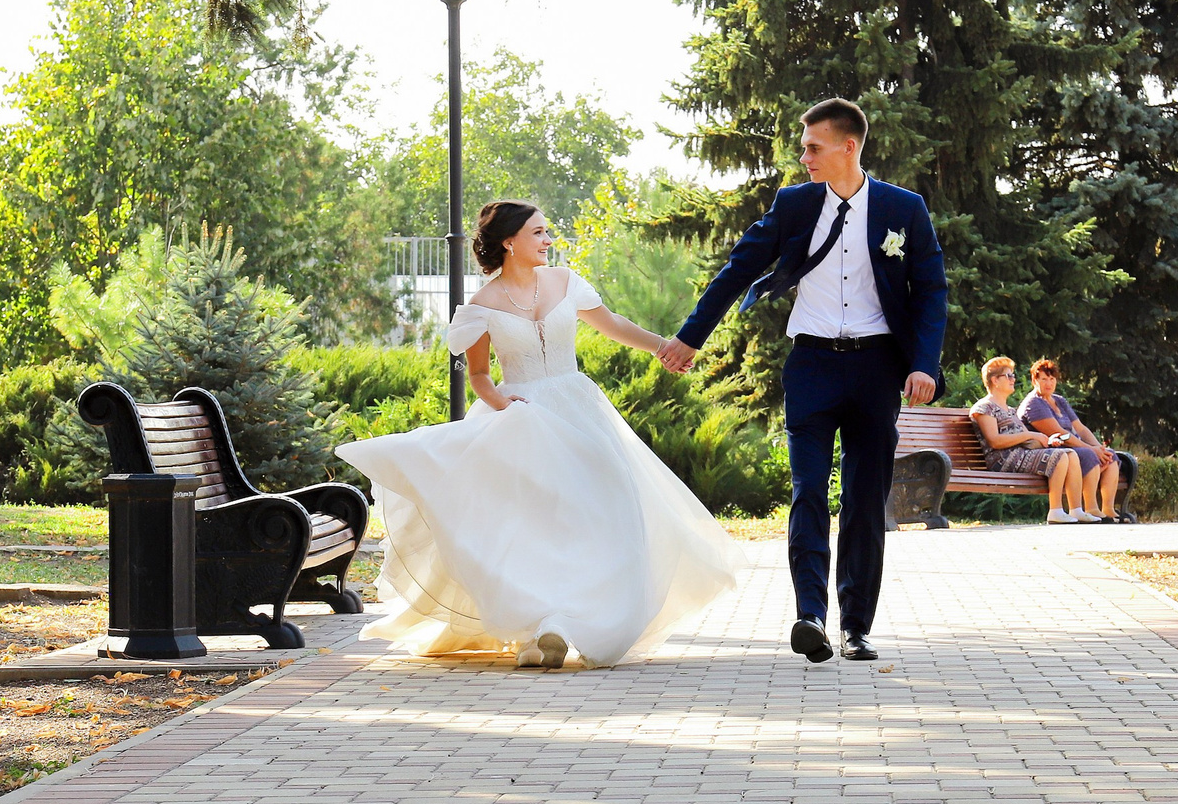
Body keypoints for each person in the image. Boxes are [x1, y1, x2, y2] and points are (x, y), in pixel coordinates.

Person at [337, 200, 740, 670]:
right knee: (527, 526)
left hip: (578, 409)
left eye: (548, 232)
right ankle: (539, 629)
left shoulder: (566, 282)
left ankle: (580, 621)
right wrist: (504, 406)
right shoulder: (480, 308)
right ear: (510, 242)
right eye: (538, 233)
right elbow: (481, 377)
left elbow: (612, 326)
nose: (548, 241)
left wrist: (665, 349)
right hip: (521, 417)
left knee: (606, 511)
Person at [658, 98, 947, 665]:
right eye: (803, 146)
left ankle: (856, 626)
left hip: (877, 369)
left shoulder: (903, 209)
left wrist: (923, 363)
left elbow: (930, 290)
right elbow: (738, 268)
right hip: (812, 366)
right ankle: (810, 614)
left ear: (849, 146)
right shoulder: (793, 205)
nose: (803, 156)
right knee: (808, 491)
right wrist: (691, 337)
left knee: (866, 500)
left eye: (813, 146)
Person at [966, 356, 1096, 522]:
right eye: (1008, 376)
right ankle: (1055, 511)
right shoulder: (984, 407)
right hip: (1002, 459)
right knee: (1061, 456)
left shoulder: (1010, 410)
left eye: (1013, 375)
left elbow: (1025, 440)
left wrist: (1048, 441)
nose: (1013, 379)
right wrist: (1030, 434)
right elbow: (995, 441)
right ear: (995, 381)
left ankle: (1076, 509)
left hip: (1020, 454)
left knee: (1070, 454)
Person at [1019, 359, 1132, 523]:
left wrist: (1098, 447)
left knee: (1110, 455)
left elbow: (1080, 428)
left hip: (1073, 448)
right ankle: (1091, 507)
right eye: (1043, 379)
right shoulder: (1033, 404)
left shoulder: (1059, 400)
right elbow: (1060, 433)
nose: (1048, 383)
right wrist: (1091, 450)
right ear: (1034, 380)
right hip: (1054, 451)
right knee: (1088, 454)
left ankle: (1108, 509)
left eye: (1052, 379)